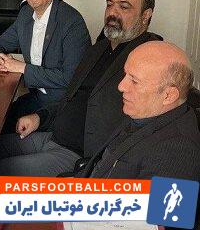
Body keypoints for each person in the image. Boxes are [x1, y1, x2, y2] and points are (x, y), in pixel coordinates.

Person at [0, 0, 161, 203]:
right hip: (53, 134)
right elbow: (72, 96)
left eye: (124, 7)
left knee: (2, 173)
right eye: (109, 4)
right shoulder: (99, 49)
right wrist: (40, 117)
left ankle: (6, 215)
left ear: (146, 15)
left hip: (79, 154)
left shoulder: (146, 59)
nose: (112, 13)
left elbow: (140, 127)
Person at [0, 0, 91, 131]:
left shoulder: (72, 22)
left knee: (2, 132)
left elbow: (71, 78)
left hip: (62, 106)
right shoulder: (26, 14)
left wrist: (22, 68)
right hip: (36, 97)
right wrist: (0, 60)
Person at [81, 41, 200, 180]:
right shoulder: (144, 111)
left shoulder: (178, 153)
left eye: (134, 81)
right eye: (125, 74)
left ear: (168, 96)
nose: (121, 86)